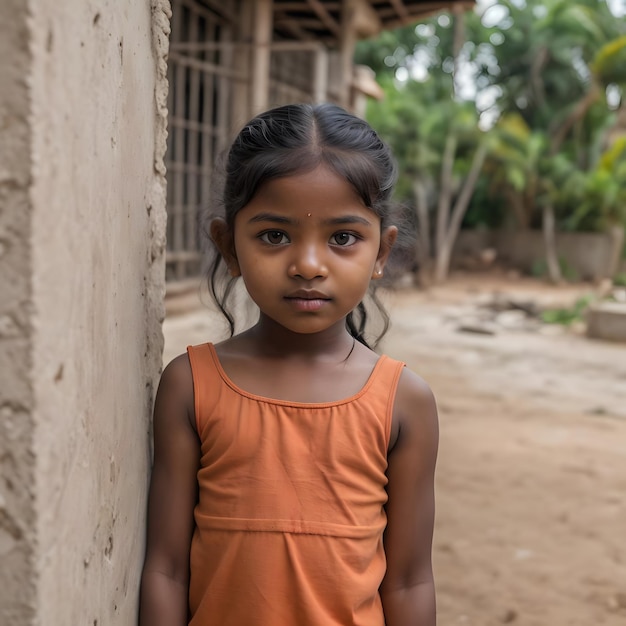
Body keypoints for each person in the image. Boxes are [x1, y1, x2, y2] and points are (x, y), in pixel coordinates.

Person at [139, 103, 439, 626]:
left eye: (343, 237)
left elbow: (410, 581)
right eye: (274, 236)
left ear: (381, 253)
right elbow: (166, 569)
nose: (307, 265)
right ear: (228, 245)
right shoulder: (191, 387)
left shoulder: (404, 402)